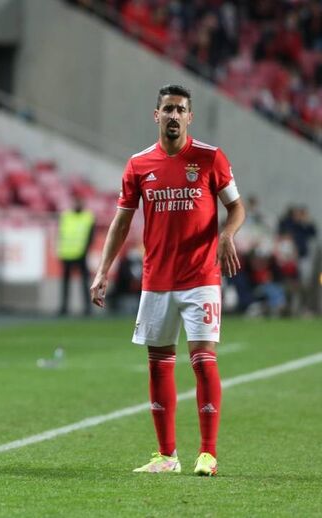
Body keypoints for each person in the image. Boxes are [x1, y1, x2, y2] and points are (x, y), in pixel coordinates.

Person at [89, 85, 245, 477]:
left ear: (190, 117)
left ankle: (207, 453)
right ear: (155, 115)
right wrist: (103, 270)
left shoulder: (210, 158)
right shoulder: (139, 164)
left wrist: (226, 234)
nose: (174, 115)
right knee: (159, 364)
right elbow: (121, 221)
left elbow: (236, 207)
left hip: (201, 277)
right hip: (156, 279)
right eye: (168, 109)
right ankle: (166, 456)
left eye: (181, 110)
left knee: (203, 359)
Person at [57, 196, 95, 316]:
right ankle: (64, 307)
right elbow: (61, 234)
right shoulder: (66, 216)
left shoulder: (88, 217)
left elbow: (91, 236)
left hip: (81, 254)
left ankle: (87, 308)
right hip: (67, 253)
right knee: (66, 283)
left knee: (84, 283)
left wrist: (86, 249)